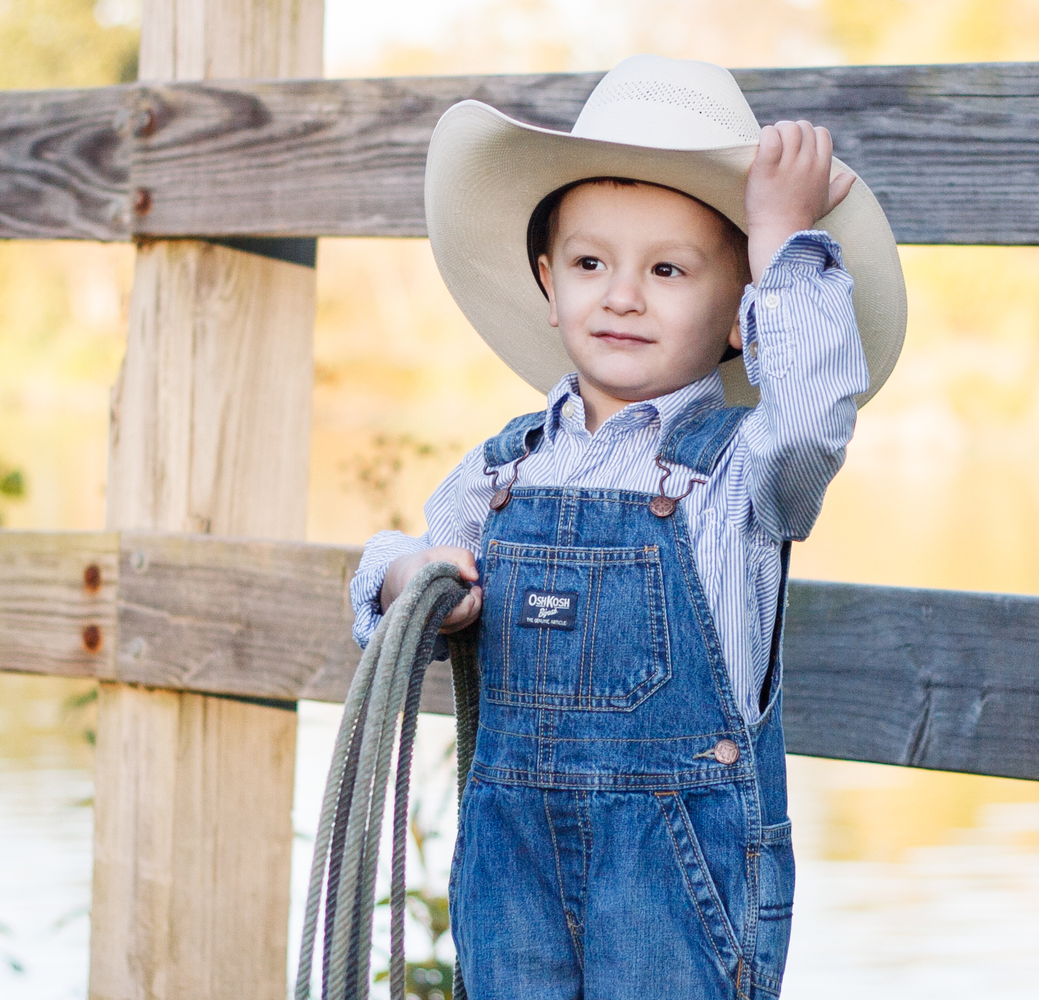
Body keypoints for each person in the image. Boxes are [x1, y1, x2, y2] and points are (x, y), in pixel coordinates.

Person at [348, 55, 907, 999]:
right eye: (590, 263)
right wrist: (415, 579)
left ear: (742, 316)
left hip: (675, 876)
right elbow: (406, 566)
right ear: (548, 281)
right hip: (510, 864)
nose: (621, 295)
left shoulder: (741, 473)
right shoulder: (504, 469)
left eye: (668, 270)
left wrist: (781, 244)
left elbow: (814, 415)